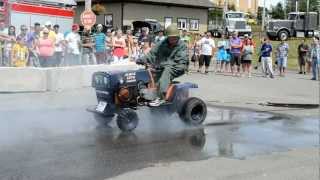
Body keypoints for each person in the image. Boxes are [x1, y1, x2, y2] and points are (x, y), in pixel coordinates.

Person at [136, 24, 188, 106]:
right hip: (164, 66)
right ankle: (147, 96)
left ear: (178, 36)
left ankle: (161, 97)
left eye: (175, 37)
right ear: (167, 37)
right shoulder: (161, 43)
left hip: (179, 66)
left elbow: (179, 61)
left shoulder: (182, 46)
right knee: (152, 77)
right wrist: (142, 59)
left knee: (167, 71)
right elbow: (152, 54)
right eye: (171, 37)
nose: (174, 39)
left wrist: (161, 64)